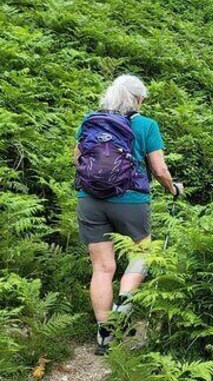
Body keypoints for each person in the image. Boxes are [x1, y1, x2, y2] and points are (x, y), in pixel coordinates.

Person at [74, 75, 182, 355]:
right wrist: (173, 189)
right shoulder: (146, 125)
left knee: (101, 267)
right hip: (131, 199)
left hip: (90, 199)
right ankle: (122, 311)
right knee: (142, 254)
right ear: (138, 99)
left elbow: (77, 159)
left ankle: (104, 336)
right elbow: (159, 169)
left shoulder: (90, 121)